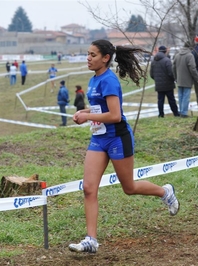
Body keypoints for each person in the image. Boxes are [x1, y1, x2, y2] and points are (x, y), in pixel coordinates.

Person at [69, 39, 179, 253]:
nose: (88, 58)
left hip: (118, 137)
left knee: (129, 188)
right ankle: (91, 240)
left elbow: (115, 115)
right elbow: (100, 107)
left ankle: (165, 192)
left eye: (93, 55)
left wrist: (88, 116)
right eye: (88, 54)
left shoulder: (109, 80)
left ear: (106, 58)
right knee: (89, 188)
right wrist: (85, 113)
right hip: (99, 139)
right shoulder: (94, 80)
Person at [150, 45, 180, 117]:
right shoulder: (167, 60)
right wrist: (174, 79)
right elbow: (170, 73)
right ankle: (175, 113)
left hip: (159, 85)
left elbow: (151, 74)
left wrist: (157, 79)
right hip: (168, 84)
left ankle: (161, 114)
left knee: (160, 100)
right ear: (165, 51)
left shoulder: (153, 61)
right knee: (171, 99)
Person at [172, 41, 198, 117]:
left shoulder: (177, 55)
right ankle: (184, 113)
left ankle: (181, 111)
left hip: (179, 79)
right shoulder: (189, 56)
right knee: (186, 97)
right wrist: (197, 78)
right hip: (187, 79)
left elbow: (173, 67)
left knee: (180, 96)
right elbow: (192, 68)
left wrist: (175, 77)